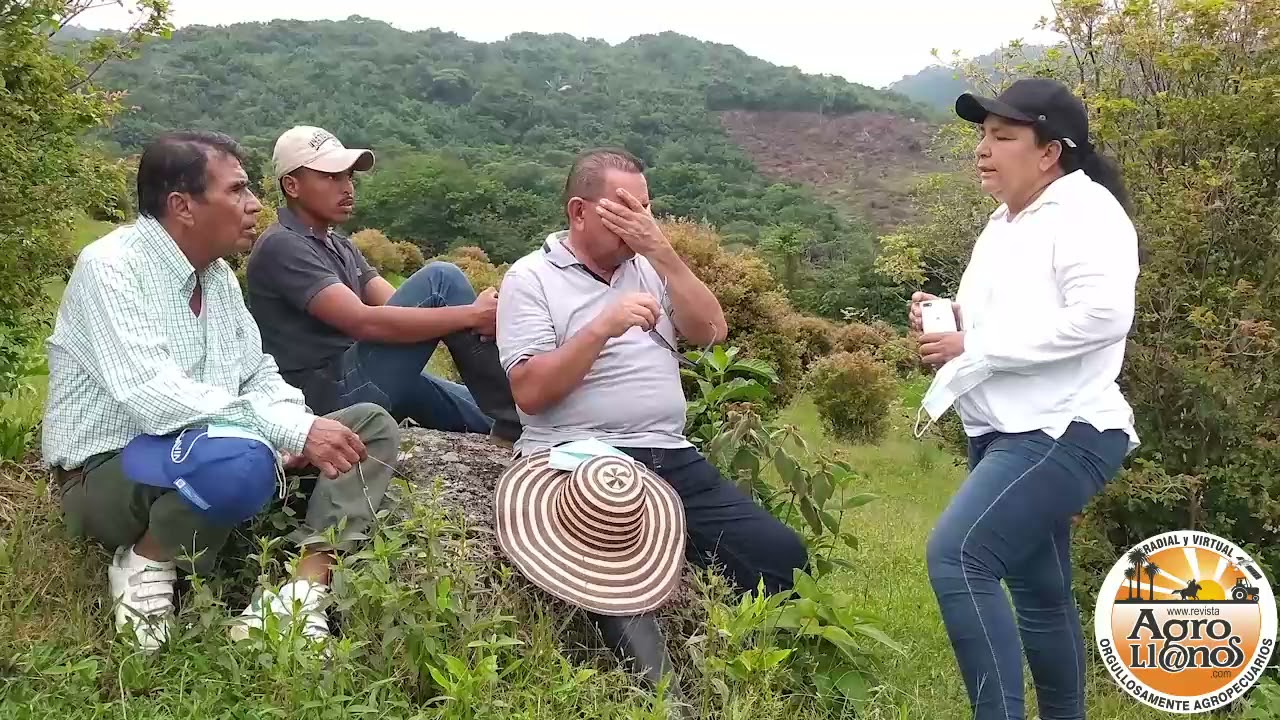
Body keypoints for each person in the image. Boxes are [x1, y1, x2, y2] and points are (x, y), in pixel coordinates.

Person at [43, 130, 400, 651]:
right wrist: (285, 427)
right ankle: (145, 562)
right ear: (182, 205)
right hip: (110, 472)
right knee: (239, 457)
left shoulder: (215, 278)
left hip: (209, 449)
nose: (255, 204)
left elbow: (256, 371)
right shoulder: (112, 268)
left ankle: (299, 591)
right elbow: (152, 394)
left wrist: (293, 425)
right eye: (236, 191)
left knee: (368, 425)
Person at [495, 147, 809, 705]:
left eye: (645, 209)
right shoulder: (531, 278)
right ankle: (665, 699)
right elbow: (531, 393)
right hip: (581, 456)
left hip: (669, 453)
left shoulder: (650, 266)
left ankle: (761, 671)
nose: (636, 222)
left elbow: (712, 330)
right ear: (578, 211)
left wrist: (663, 251)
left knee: (781, 554)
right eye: (622, 209)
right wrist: (599, 329)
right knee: (612, 563)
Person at [909, 78, 1140, 720]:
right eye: (983, 135)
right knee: (1040, 592)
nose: (984, 149)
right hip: (1005, 430)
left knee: (960, 555)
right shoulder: (1004, 222)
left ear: (1049, 152)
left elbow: (1102, 317)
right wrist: (949, 318)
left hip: (1063, 429)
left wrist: (974, 341)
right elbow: (1006, 319)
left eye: (1003, 136)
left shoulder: (1086, 214)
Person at [245, 125, 520, 444]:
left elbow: (398, 304)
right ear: (292, 185)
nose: (347, 187)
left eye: (348, 176)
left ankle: (525, 417)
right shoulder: (282, 245)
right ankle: (518, 418)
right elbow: (364, 323)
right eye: (331, 177)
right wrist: (473, 316)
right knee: (442, 277)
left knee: (483, 411)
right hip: (326, 399)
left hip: (361, 375)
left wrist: (465, 317)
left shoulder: (339, 245)